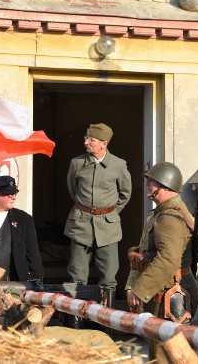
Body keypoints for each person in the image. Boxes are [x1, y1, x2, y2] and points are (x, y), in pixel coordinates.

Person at [125, 161, 198, 361]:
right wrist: (132, 286)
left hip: (171, 294)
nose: (147, 185)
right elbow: (143, 253)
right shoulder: (158, 214)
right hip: (162, 290)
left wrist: (140, 290)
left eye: (151, 181)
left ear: (165, 185)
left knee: (165, 356)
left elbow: (168, 260)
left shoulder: (169, 217)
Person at [65, 123, 132, 307]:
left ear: (104, 143)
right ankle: (77, 320)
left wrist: (109, 213)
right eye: (86, 138)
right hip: (80, 224)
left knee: (109, 276)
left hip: (108, 227)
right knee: (76, 275)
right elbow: (73, 190)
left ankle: (106, 322)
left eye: (91, 139)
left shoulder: (118, 165)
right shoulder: (76, 163)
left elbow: (125, 194)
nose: (86, 142)